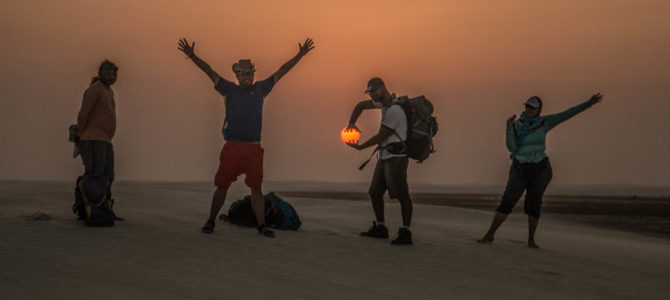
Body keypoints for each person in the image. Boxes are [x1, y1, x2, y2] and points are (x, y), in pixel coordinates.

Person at [177, 37, 314, 237]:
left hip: (253, 149)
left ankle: (261, 226)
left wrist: (300, 55)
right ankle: (210, 221)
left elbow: (282, 71)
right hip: (232, 147)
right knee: (222, 186)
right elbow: (209, 71)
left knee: (256, 188)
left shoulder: (261, 89)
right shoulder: (228, 89)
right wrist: (192, 56)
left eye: (250, 73)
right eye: (243, 74)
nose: (247, 76)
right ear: (237, 75)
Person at [478, 93, 604, 248]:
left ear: (538, 109)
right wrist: (508, 129)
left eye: (533, 107)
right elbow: (511, 147)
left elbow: (566, 114)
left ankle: (531, 240)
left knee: (534, 203)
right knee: (508, 201)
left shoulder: (545, 123)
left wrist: (588, 103)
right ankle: (490, 234)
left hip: (540, 168)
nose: (530, 109)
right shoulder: (517, 125)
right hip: (520, 167)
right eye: (527, 106)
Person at [346, 77, 413, 245]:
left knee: (402, 195)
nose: (372, 96)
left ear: (383, 88)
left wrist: (361, 147)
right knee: (375, 192)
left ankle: (406, 232)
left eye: (374, 92)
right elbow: (360, 105)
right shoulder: (384, 105)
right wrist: (351, 123)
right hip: (384, 156)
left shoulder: (394, 111)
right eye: (370, 93)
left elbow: (380, 136)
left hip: (396, 158)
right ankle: (381, 228)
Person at [75, 60, 119, 199]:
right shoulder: (95, 89)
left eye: (113, 73)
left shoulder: (109, 91)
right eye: (107, 72)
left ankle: (104, 208)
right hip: (93, 139)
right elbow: (83, 113)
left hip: (105, 140)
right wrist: (80, 135)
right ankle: (88, 210)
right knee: (94, 175)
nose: (111, 76)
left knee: (108, 176)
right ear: (100, 74)